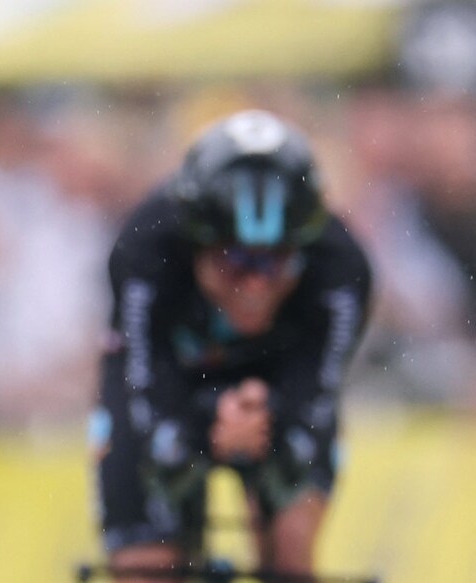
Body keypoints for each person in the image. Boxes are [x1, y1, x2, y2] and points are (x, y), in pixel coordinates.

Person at [92, 109, 373, 582]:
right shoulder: (145, 247)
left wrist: (275, 417)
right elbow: (144, 376)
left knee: (289, 551)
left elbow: (316, 391)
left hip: (277, 383)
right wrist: (196, 430)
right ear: (194, 244)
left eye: (276, 260)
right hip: (169, 377)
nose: (255, 283)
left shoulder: (341, 267)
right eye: (234, 260)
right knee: (146, 566)